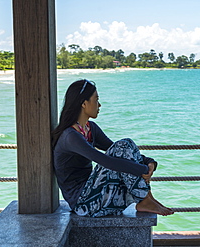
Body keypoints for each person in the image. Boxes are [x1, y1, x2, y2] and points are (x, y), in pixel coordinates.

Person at [52, 79, 174, 217]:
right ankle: (145, 200)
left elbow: (114, 148)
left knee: (126, 143)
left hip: (95, 194)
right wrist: (143, 170)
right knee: (122, 145)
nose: (99, 105)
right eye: (96, 100)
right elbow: (105, 160)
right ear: (84, 104)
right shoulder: (70, 136)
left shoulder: (90, 129)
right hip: (83, 203)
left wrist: (149, 162)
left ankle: (147, 199)